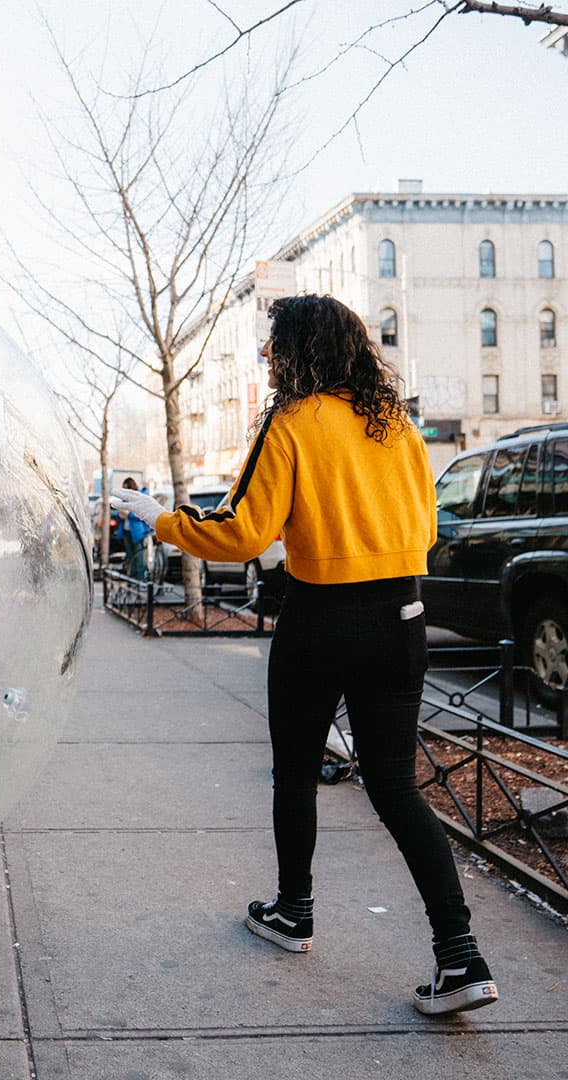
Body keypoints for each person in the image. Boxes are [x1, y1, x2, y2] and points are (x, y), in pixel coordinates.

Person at [112, 294, 498, 1016]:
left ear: (301, 350)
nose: (267, 356)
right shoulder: (399, 427)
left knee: (295, 772)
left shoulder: (291, 423)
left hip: (321, 618)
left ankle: (294, 912)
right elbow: (426, 527)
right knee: (396, 787)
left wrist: (158, 519)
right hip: (403, 616)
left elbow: (241, 534)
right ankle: (461, 955)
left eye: (276, 344)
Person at [115, 476, 152, 579]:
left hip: (137, 533)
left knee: (139, 557)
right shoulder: (124, 500)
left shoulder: (138, 498)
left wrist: (129, 514)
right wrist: (120, 515)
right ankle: (132, 578)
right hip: (127, 531)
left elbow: (141, 514)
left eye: (125, 488)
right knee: (130, 556)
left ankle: (140, 579)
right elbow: (119, 512)